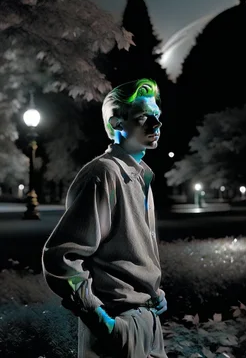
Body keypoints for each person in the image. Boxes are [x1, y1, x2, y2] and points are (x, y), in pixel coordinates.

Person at [42, 78, 168, 358]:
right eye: (145, 117)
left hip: (149, 323)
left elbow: (131, 254)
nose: (156, 125)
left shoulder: (142, 176)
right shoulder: (103, 174)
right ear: (116, 123)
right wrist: (103, 321)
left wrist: (155, 293)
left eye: (157, 116)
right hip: (120, 323)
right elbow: (61, 257)